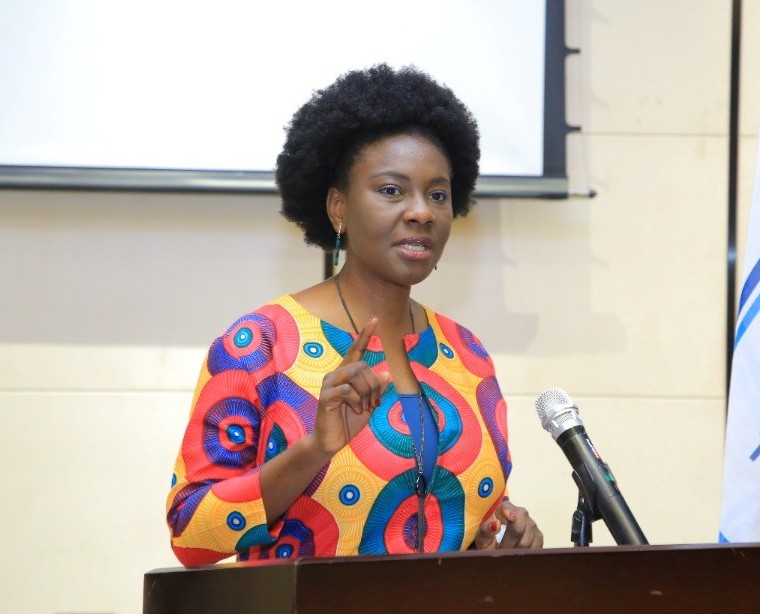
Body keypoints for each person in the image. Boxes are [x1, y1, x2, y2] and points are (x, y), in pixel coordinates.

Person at [166, 64, 543, 565]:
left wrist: (499, 529)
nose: (422, 212)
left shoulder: (466, 354)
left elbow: (465, 514)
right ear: (338, 207)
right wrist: (314, 449)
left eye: (438, 194)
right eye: (392, 190)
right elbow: (190, 533)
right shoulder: (260, 343)